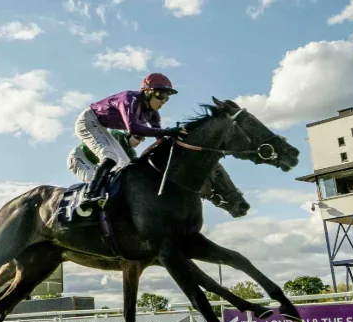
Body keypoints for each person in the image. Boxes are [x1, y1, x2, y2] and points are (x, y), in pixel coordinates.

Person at [66, 130, 249, 217]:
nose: (139, 141)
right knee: (99, 180)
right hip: (80, 158)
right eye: (137, 137)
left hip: (99, 161)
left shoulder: (130, 154)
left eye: (142, 139)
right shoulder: (117, 136)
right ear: (128, 134)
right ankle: (85, 204)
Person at [72, 73, 187, 211]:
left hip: (100, 126)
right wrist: (168, 132)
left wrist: (180, 144)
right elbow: (133, 128)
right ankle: (89, 196)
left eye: (167, 98)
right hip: (88, 121)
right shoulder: (129, 99)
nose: (163, 101)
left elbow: (161, 139)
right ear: (148, 92)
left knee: (125, 165)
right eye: (161, 96)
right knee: (110, 156)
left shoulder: (153, 114)